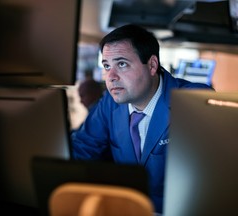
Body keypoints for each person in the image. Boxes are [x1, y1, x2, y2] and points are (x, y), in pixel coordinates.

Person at [71, 24, 213, 214]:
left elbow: (213, 177)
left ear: (152, 65)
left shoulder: (194, 101)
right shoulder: (110, 104)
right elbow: (81, 148)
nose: (111, 77)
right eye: (106, 66)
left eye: (121, 64)